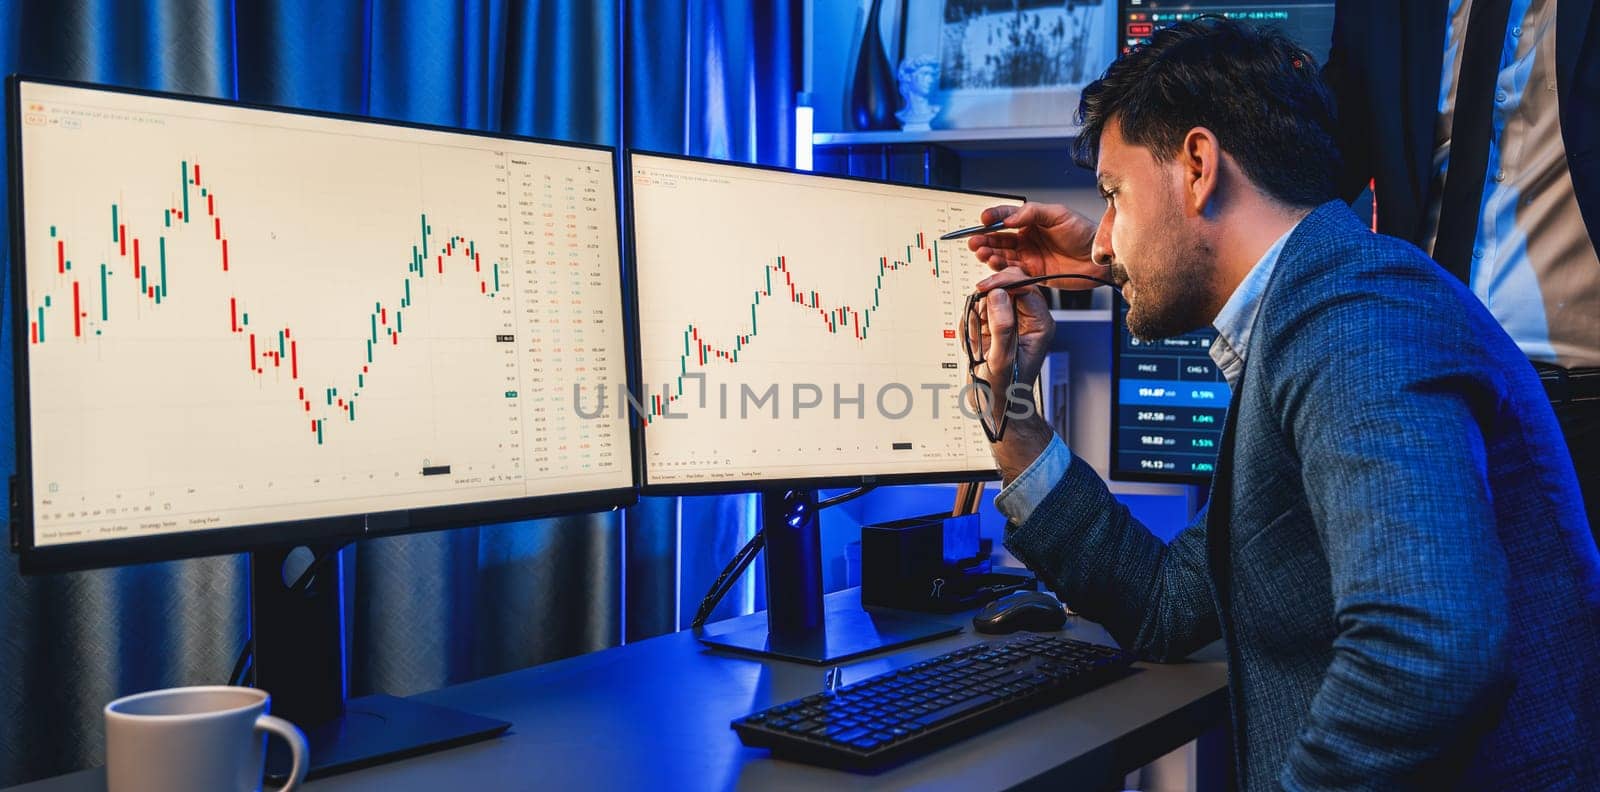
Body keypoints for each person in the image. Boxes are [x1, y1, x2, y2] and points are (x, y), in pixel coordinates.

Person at [964, 17, 1600, 789]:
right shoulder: (1311, 312)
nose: (1100, 245)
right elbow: (1167, 604)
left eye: (1114, 195)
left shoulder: (1355, 315)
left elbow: (1430, 656)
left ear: (1197, 165)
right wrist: (1016, 424)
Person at [1321, 0, 1600, 546]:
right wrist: (1155, 213)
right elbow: (1310, 167)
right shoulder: (1385, 13)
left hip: (1585, 407)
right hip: (1427, 410)